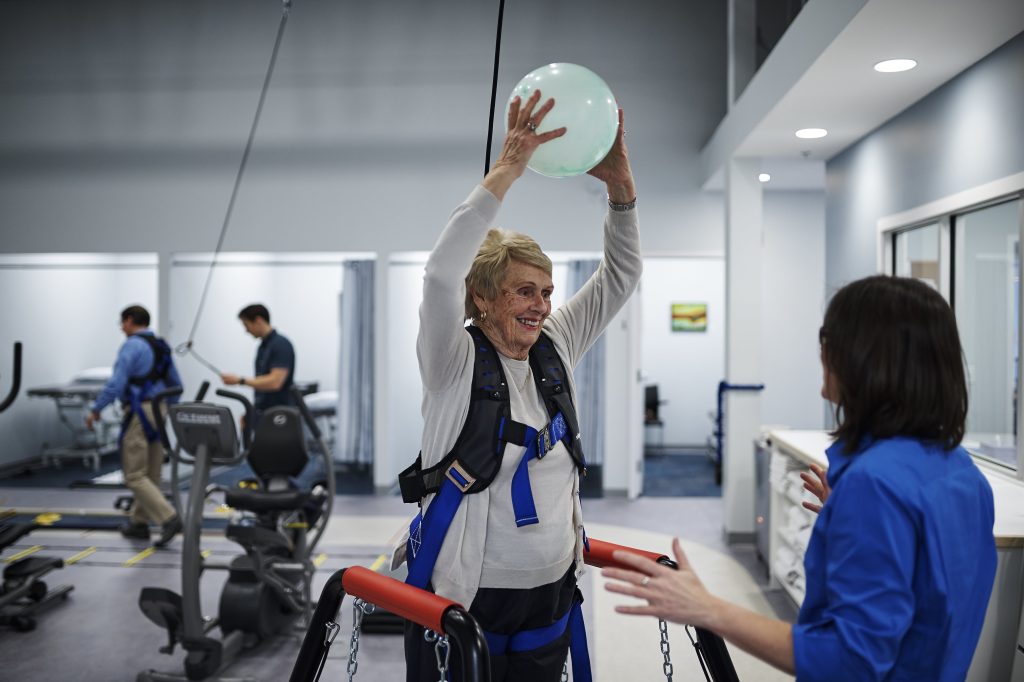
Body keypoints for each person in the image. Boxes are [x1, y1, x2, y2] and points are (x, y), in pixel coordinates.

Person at [603, 275, 997, 681]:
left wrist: (706, 608)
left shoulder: (875, 486)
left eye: (828, 339)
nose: (822, 352)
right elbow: (930, 595)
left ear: (863, 358)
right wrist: (852, 515)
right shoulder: (960, 471)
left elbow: (850, 662)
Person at [393, 89, 640, 682]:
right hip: (468, 593)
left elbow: (621, 276)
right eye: (525, 291)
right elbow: (439, 273)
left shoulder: (556, 343)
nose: (542, 305)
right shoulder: (452, 358)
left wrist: (620, 186)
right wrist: (509, 167)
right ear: (482, 297)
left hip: (551, 590)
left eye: (548, 291)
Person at [86, 305, 183, 546]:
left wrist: (97, 409)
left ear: (130, 321)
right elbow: (176, 384)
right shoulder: (161, 347)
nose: (121, 328)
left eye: (122, 323)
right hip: (159, 411)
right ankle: (139, 523)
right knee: (151, 473)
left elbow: (117, 383)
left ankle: (169, 518)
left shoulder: (131, 346)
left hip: (139, 411)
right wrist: (167, 410)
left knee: (134, 475)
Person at [220, 303, 295, 425]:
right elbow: (262, 388)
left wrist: (240, 381)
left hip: (279, 416)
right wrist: (251, 413)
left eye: (246, 325)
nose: (246, 330)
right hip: (262, 412)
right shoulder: (263, 347)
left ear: (258, 320)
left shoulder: (281, 344)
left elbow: (275, 382)